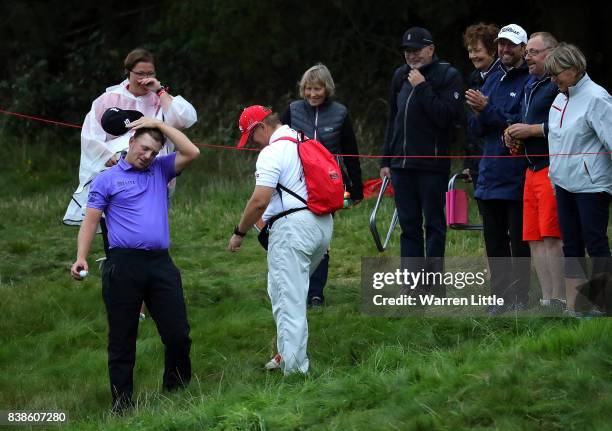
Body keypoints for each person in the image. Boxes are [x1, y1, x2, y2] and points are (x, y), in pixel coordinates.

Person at [70, 112, 200, 414]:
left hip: (160, 264)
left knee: (178, 334)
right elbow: (90, 222)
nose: (147, 155)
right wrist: (80, 257)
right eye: (143, 148)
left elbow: (192, 151)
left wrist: (158, 125)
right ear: (131, 142)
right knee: (122, 337)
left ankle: (176, 390)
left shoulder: (160, 170)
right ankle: (121, 402)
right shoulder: (106, 179)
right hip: (123, 265)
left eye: (153, 151)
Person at [228, 105, 333, 374]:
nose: (253, 143)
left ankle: (296, 371)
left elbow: (259, 200)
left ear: (261, 127)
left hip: (293, 229)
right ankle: (286, 353)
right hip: (321, 225)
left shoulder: (272, 152)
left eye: (251, 137)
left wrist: (239, 232)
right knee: (280, 290)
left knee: (290, 300)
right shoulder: (303, 139)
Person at [63, 47, 197, 235]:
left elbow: (184, 119)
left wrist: (159, 91)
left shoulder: (161, 99)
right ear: (128, 72)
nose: (145, 78)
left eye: (150, 73)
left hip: (150, 170)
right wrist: (107, 155)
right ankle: (114, 258)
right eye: (140, 73)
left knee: (148, 224)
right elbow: (91, 135)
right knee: (113, 221)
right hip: (116, 171)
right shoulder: (109, 99)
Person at [380, 26, 463, 297]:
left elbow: (445, 117)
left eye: (416, 50)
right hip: (401, 165)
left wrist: (423, 87)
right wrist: (386, 160)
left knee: (434, 225)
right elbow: (393, 119)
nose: (411, 56)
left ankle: (435, 283)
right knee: (409, 225)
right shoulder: (398, 76)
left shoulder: (448, 75)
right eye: (407, 51)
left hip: (432, 165)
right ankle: (413, 285)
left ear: (431, 48)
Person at [281, 63, 363, 307]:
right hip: (296, 183)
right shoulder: (293, 110)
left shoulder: (340, 113)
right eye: (308, 89)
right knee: (297, 237)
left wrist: (356, 187)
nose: (312, 94)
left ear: (327, 89)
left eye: (317, 89)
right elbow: (278, 145)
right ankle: (297, 288)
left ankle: (316, 293)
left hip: (328, 186)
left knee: (320, 238)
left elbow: (351, 152)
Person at [465, 24, 532, 314]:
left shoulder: (530, 80)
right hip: (488, 173)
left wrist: (487, 110)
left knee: (519, 243)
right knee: (494, 243)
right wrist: (481, 111)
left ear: (523, 49)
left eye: (511, 45)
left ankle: (520, 298)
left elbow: (518, 124)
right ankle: (500, 298)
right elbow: (475, 127)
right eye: (502, 45)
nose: (506, 50)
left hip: (516, 175)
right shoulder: (491, 79)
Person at [544, 43, 612, 316]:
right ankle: (576, 307)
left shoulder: (598, 98)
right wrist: (553, 175)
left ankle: (604, 304)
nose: (552, 80)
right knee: (571, 245)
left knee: (595, 243)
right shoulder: (559, 98)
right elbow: (556, 141)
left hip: (592, 185)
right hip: (563, 183)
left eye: (556, 74)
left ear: (574, 69)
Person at [503, 32, 565, 310]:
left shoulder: (558, 85)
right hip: (529, 170)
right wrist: (511, 132)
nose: (527, 57)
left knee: (552, 236)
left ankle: (560, 298)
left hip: (551, 168)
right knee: (534, 237)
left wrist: (531, 130)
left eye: (533, 52)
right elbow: (524, 120)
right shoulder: (530, 85)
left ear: (551, 53)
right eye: (526, 52)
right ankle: (546, 300)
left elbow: (569, 126)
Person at [462, 23, 500, 186]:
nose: (472, 56)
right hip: (479, 164)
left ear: (492, 51)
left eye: (477, 50)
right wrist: (469, 163)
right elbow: (472, 129)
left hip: (498, 162)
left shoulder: (503, 78)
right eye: (470, 51)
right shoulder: (474, 79)